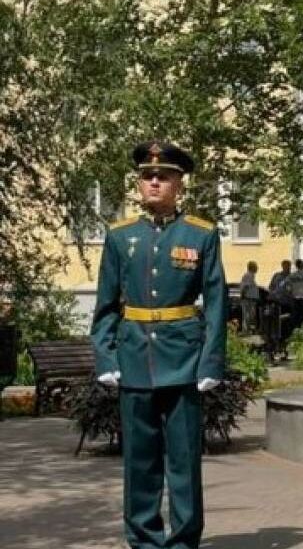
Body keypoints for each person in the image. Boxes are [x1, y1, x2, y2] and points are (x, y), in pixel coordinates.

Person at [90, 140, 227, 549]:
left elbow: (217, 301)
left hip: (183, 362)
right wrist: (105, 354)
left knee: (184, 461)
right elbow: (106, 303)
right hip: (133, 361)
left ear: (179, 185)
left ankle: (184, 542)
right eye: (147, 176)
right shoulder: (120, 237)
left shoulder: (200, 234)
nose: (153, 182)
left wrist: (211, 362)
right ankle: (144, 541)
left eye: (163, 176)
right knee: (140, 463)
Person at [238, 261, 260, 333]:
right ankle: (246, 330)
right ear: (252, 267)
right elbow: (245, 286)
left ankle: (248, 329)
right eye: (256, 266)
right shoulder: (249, 275)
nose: (257, 268)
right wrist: (243, 295)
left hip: (250, 298)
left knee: (250, 315)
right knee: (248, 315)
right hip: (248, 298)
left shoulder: (251, 276)